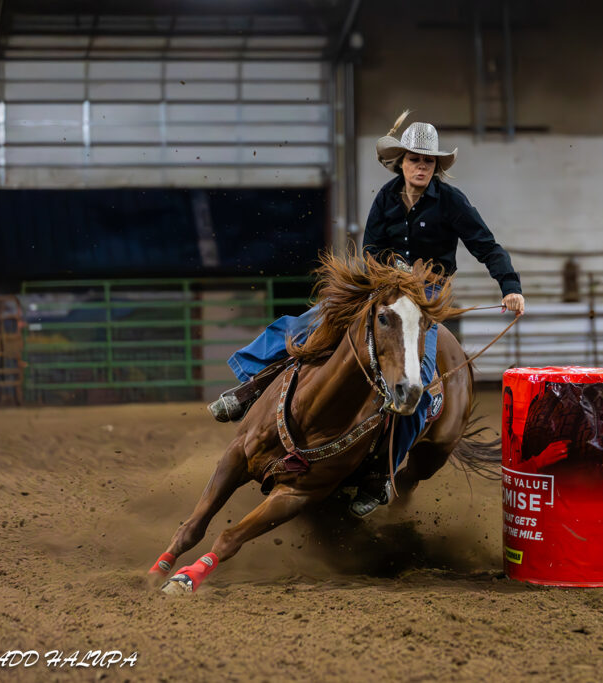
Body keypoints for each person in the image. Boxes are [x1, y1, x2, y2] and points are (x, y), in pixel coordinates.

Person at [207, 111, 525, 515]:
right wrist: (387, 273)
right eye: (414, 160)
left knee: (420, 382)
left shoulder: (452, 202)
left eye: (428, 161)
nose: (421, 167)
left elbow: (486, 246)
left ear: (436, 167)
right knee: (313, 320)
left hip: (425, 296)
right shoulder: (386, 198)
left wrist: (510, 287)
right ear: (402, 163)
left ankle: (381, 474)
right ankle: (249, 387)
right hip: (383, 284)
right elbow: (371, 248)